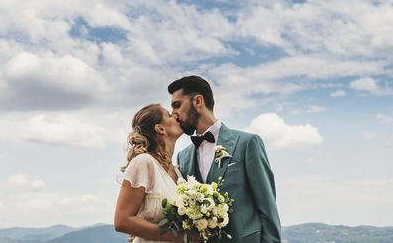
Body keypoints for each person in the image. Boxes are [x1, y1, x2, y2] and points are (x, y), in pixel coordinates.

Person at [169, 75, 282, 243]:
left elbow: (268, 209)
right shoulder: (183, 157)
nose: (173, 114)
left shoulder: (247, 143)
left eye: (177, 105)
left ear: (198, 101)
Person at [114, 103, 196, 242]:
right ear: (160, 128)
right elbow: (122, 221)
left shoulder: (178, 172)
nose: (175, 115)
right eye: (169, 115)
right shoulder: (144, 162)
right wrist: (181, 237)